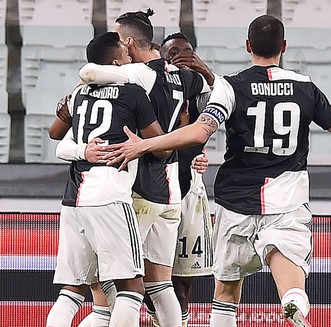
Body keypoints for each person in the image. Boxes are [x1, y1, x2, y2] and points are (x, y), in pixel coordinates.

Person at [101, 14, 331, 327]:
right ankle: (292, 302)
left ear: (248, 46)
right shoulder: (305, 88)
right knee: (287, 266)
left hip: (236, 200)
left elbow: (198, 132)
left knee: (226, 291)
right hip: (286, 198)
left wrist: (144, 145)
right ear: (284, 47)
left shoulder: (230, 86)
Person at [78, 9, 215, 327]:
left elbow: (90, 74)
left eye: (116, 39)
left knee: (109, 287)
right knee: (160, 282)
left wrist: (75, 95)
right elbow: (209, 105)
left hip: (138, 187)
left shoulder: (140, 74)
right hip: (170, 192)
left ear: (127, 42)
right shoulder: (185, 76)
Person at [46, 31, 170, 327]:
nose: (130, 58)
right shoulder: (132, 92)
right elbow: (160, 146)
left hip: (74, 197)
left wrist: (82, 149)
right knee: (132, 287)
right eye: (125, 56)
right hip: (109, 195)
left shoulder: (78, 93)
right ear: (116, 62)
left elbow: (55, 133)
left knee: (73, 290)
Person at [143, 32, 214, 327]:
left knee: (183, 282)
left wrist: (206, 71)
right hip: (154, 188)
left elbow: (232, 106)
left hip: (189, 192)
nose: (180, 59)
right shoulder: (149, 90)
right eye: (173, 54)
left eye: (187, 53)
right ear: (162, 58)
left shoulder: (203, 93)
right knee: (149, 281)